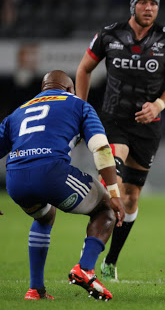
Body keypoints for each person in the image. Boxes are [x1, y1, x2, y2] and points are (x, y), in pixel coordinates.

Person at [75, 0, 165, 281]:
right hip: (114, 120)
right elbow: (84, 69)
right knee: (115, 181)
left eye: (154, 4)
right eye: (144, 3)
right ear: (133, 6)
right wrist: (80, 108)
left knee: (131, 198)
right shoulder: (109, 35)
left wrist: (159, 104)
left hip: (147, 127)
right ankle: (87, 258)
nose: (149, 8)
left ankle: (110, 260)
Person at [0, 70, 125, 301]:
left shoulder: (18, 111)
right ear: (70, 89)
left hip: (15, 179)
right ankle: (85, 269)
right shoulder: (79, 104)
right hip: (51, 173)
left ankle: (35, 289)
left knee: (44, 216)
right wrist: (114, 192)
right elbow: (101, 148)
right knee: (106, 208)